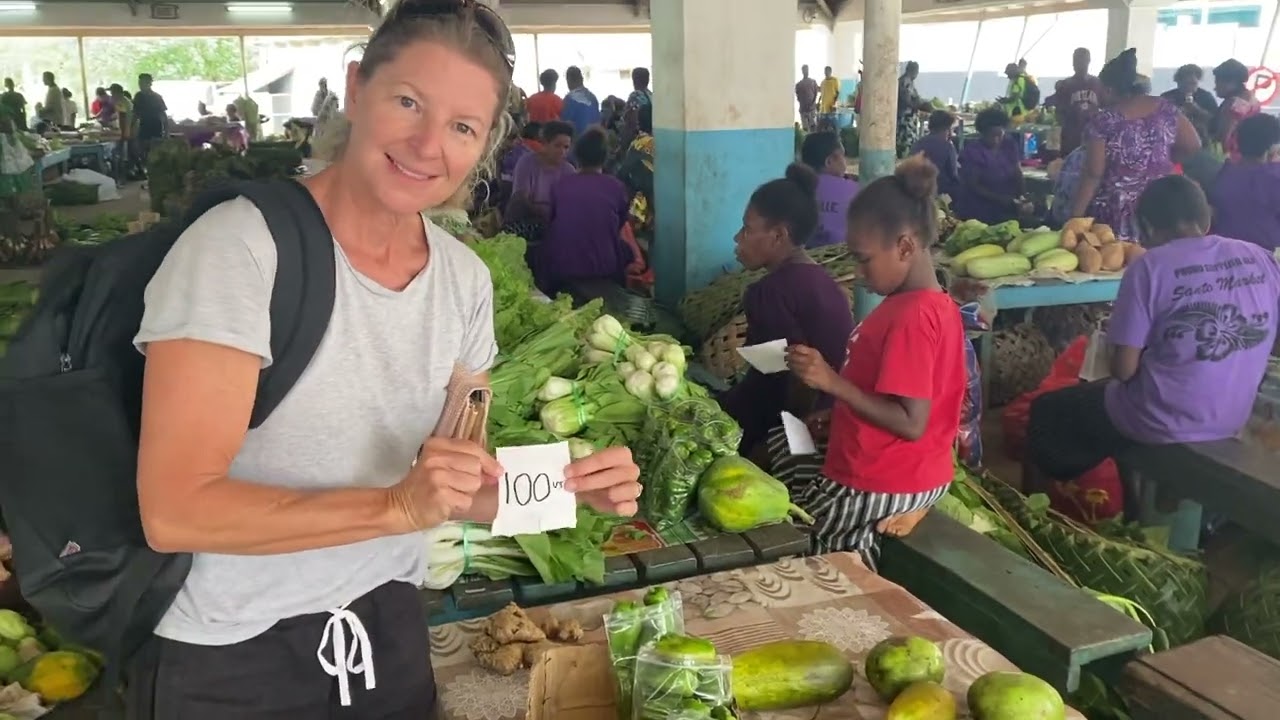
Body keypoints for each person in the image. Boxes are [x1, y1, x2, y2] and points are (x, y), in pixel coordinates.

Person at [125, 2, 641, 716]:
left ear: (485, 143)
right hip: (234, 659)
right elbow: (175, 509)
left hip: (386, 638)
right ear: (357, 87)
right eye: (408, 102)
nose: (429, 146)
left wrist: (566, 489)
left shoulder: (462, 281)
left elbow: (457, 486)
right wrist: (396, 504)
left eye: (462, 127)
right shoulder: (241, 250)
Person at [1027, 175, 1280, 494]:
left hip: (1159, 418)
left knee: (1048, 410)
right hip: (1233, 415)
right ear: (1206, 217)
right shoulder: (1260, 257)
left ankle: (1031, 509)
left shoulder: (1150, 266)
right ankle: (1139, 500)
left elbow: (1123, 370)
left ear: (1146, 226)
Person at [771, 155, 966, 568]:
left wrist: (832, 383)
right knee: (783, 447)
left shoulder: (911, 318)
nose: (858, 273)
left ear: (906, 247)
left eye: (863, 259)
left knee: (796, 540)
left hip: (885, 479)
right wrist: (841, 412)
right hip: (914, 470)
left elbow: (911, 422)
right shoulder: (927, 304)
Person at [718, 163, 854, 458]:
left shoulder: (769, 293)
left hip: (803, 430)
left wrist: (775, 449)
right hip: (836, 417)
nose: (737, 239)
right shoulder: (820, 279)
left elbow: (795, 383)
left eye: (747, 229)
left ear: (778, 235)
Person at [1066, 49, 1200, 240]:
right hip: (1161, 205)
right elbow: (1193, 145)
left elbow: (1093, 173)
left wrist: (1075, 218)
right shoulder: (1166, 108)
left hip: (1117, 212)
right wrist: (1160, 162)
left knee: (1119, 263)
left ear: (1109, 90)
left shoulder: (1103, 121)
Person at [535, 128, 633, 299]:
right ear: (605, 157)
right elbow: (619, 224)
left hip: (562, 267)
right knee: (624, 250)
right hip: (604, 267)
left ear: (577, 155)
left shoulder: (561, 185)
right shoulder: (616, 187)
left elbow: (551, 222)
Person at [1209, 113, 1280, 251]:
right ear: (1271, 152)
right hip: (1268, 258)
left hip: (1227, 255)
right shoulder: (1273, 178)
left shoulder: (1225, 175)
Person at [505, 120, 576, 241]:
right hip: (525, 220)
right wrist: (544, 213)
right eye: (557, 145)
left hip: (554, 224)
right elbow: (520, 199)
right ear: (545, 144)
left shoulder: (569, 170)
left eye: (566, 147)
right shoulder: (526, 163)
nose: (562, 151)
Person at [954, 107, 1026, 224]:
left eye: (999, 135)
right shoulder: (973, 152)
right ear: (982, 133)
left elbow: (1017, 172)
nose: (996, 140)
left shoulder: (1009, 145)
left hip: (1006, 208)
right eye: (991, 136)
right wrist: (1001, 199)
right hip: (978, 211)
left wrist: (1022, 196)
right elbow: (974, 185)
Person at [798, 131, 858, 248]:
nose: (845, 162)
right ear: (829, 162)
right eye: (843, 156)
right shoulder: (854, 190)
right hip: (842, 256)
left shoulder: (795, 188)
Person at [1052, 48, 1104, 156]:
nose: (1078, 63)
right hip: (1071, 137)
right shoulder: (1065, 85)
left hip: (1092, 136)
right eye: (1076, 60)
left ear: (1088, 61)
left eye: (1082, 60)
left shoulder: (1097, 83)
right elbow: (1059, 113)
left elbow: (1105, 107)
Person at [617, 104, 655, 237]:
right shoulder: (657, 142)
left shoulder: (638, 143)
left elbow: (623, 173)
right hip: (650, 202)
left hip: (639, 203)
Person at [1212, 59, 1261, 162]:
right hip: (1251, 155)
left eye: (1217, 83)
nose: (1215, 88)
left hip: (1232, 159)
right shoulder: (1251, 98)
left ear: (1231, 82)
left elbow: (1224, 138)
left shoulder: (1235, 104)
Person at [1160, 64, 1218, 143]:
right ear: (1179, 82)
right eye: (1187, 83)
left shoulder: (1206, 97)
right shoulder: (1167, 97)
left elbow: (1215, 120)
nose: (1190, 87)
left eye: (1193, 83)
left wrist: (1197, 110)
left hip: (1201, 140)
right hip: (1174, 140)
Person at [910, 110, 960, 199]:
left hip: (917, 190)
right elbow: (953, 174)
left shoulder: (918, 143)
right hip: (940, 191)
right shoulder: (947, 147)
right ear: (947, 128)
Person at [133, 73, 169, 170]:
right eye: (139, 82)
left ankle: (154, 175)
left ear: (149, 83)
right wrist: (132, 128)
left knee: (155, 156)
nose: (140, 85)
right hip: (143, 128)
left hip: (156, 128)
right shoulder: (138, 96)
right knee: (142, 154)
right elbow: (135, 114)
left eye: (143, 82)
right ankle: (147, 174)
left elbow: (163, 115)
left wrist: (166, 131)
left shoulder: (157, 97)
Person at [896, 61, 930, 158]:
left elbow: (915, 98)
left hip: (909, 115)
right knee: (905, 139)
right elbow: (907, 100)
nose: (917, 74)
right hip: (905, 116)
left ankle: (906, 156)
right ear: (911, 70)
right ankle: (904, 157)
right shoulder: (904, 82)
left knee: (908, 139)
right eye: (916, 71)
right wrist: (920, 106)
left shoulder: (909, 81)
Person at [560, 66, 601, 137]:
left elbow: (565, 125)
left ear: (568, 80)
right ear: (582, 79)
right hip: (595, 138)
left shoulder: (570, 98)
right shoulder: (592, 97)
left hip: (578, 141)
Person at [796, 64, 819, 132]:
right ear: (802, 71)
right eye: (804, 70)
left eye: (807, 70)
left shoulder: (813, 82)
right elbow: (798, 97)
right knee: (805, 128)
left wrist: (812, 104)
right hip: (803, 109)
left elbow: (816, 94)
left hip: (812, 109)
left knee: (813, 126)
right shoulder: (799, 84)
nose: (806, 71)